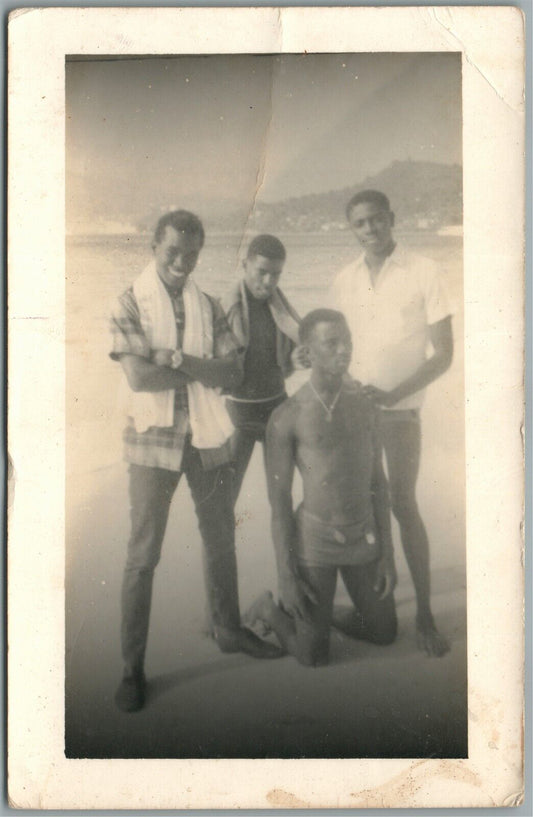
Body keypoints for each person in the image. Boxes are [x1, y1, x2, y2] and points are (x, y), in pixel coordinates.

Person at [110, 210, 282, 713]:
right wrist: (201, 370)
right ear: (154, 247)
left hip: (206, 437)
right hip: (151, 441)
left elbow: (233, 373)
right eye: (172, 252)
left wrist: (179, 360)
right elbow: (139, 379)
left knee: (220, 535)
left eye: (191, 253)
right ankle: (131, 669)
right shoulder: (127, 303)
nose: (182, 262)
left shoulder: (208, 305)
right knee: (143, 554)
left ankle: (229, 630)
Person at [329, 190, 453, 657]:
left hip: (401, 412)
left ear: (392, 219)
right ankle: (379, 600)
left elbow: (444, 354)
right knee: (367, 505)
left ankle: (424, 613)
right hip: (356, 410)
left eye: (377, 220)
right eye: (360, 223)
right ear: (353, 229)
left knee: (402, 503)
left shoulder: (425, 271)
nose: (370, 229)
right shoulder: (343, 280)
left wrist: (393, 395)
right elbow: (336, 347)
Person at [245, 309, 397, 666]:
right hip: (315, 541)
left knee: (385, 633)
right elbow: (279, 501)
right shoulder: (288, 415)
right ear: (308, 352)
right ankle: (269, 609)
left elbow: (379, 483)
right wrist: (286, 577)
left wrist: (388, 554)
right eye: (332, 343)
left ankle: (322, 615)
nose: (344, 350)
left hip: (362, 535)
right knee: (313, 657)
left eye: (348, 342)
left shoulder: (365, 406)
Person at [222, 234, 302, 503]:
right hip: (238, 413)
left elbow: (288, 357)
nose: (268, 282)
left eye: (276, 275)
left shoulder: (281, 307)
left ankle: (287, 547)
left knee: (281, 498)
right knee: (223, 503)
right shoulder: (227, 307)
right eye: (262, 272)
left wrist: (298, 359)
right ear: (245, 265)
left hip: (277, 407)